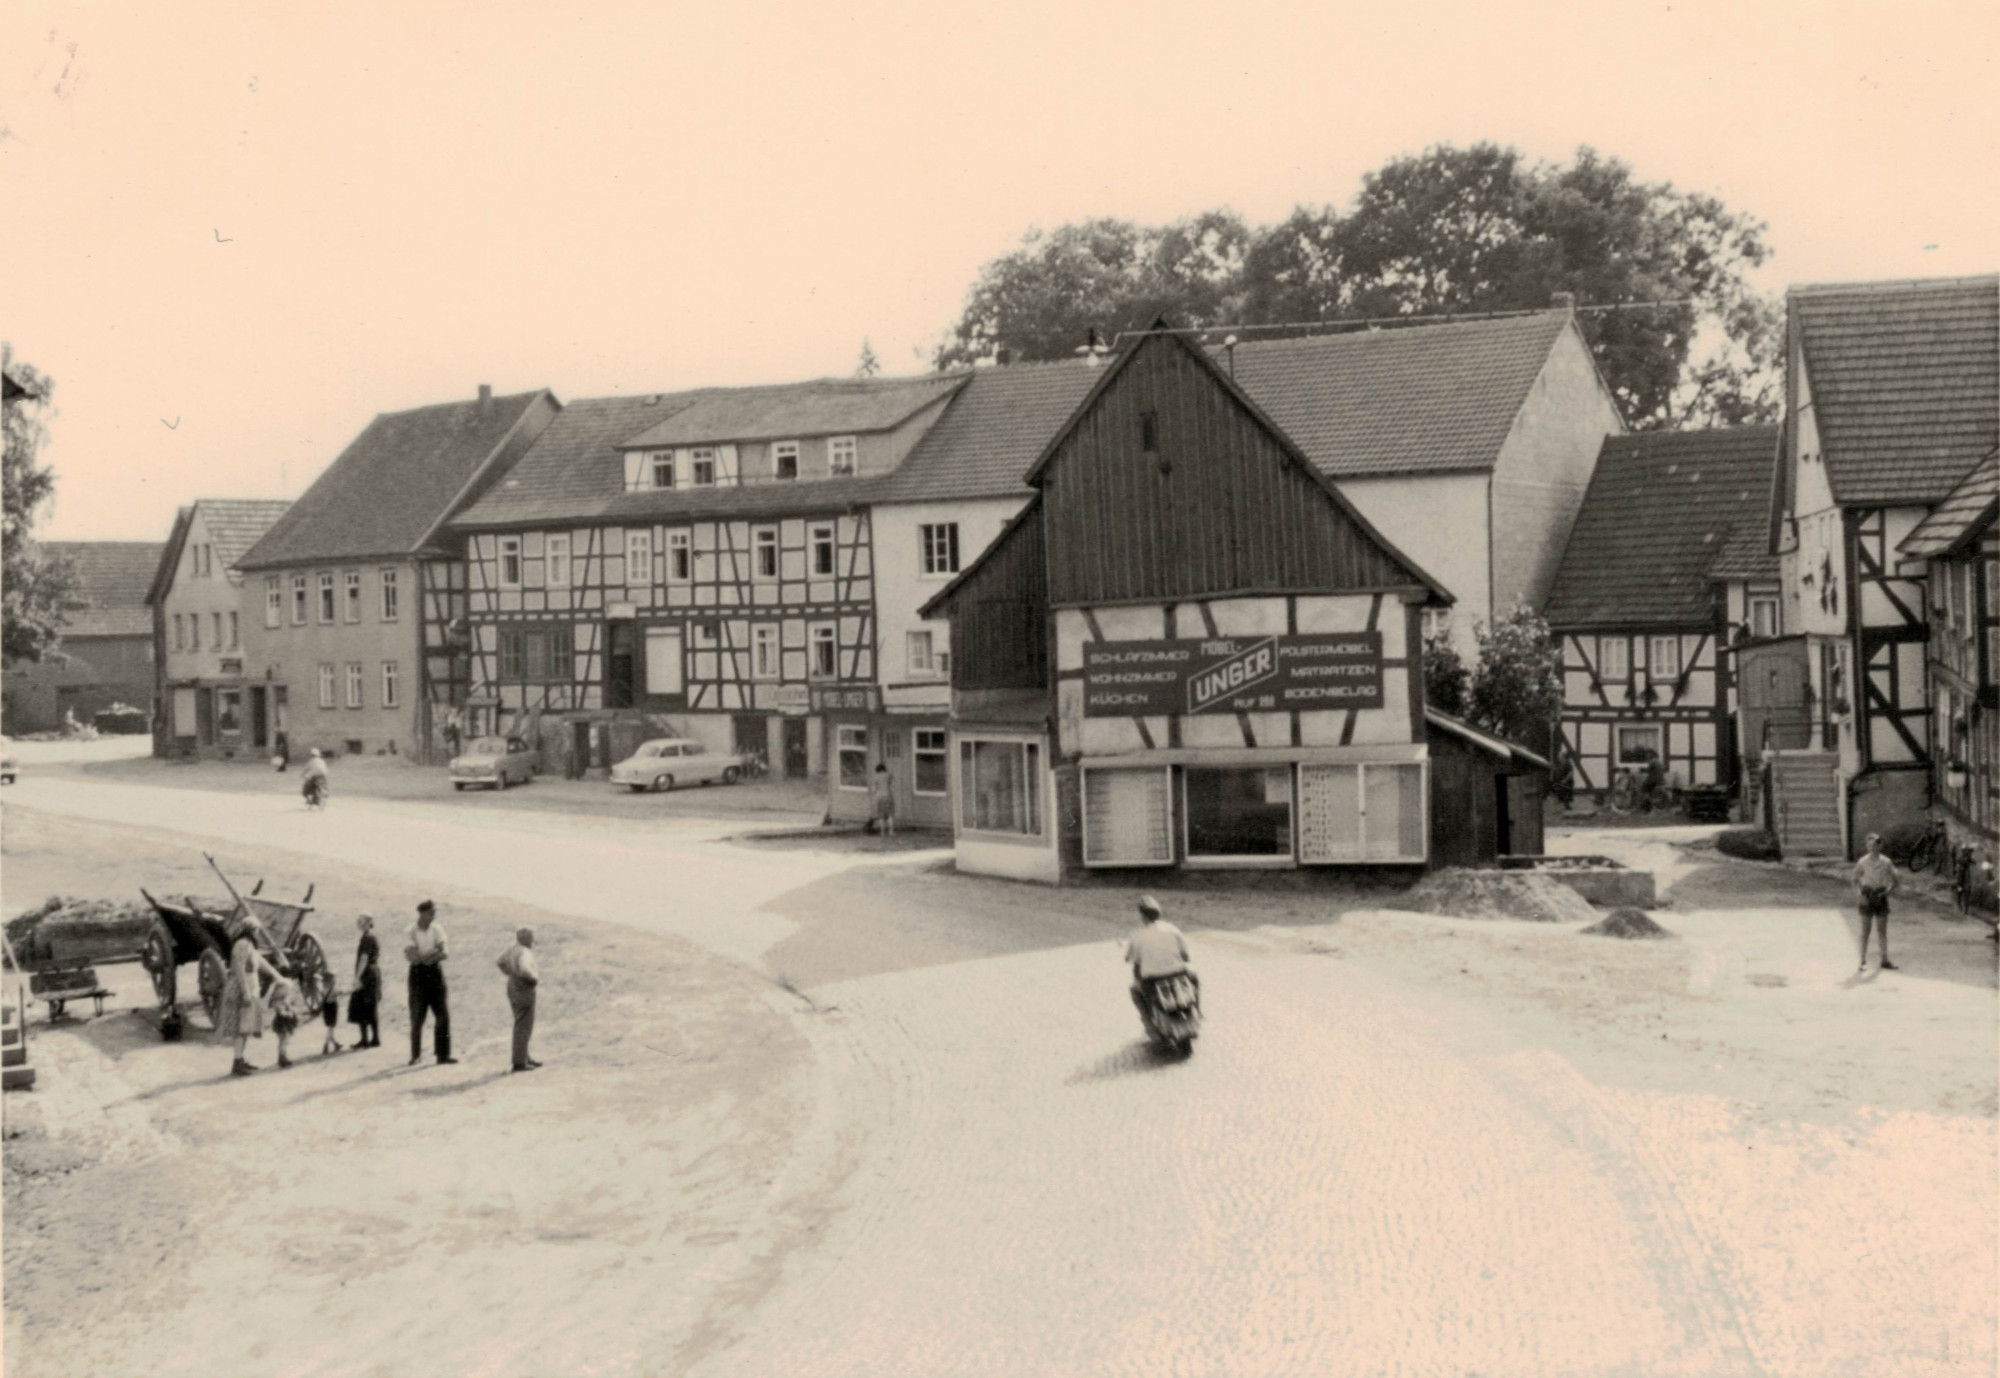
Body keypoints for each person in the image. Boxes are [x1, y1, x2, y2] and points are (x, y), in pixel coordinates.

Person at [216, 919, 283, 1076]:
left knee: (245, 1026)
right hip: (241, 989)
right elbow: (238, 968)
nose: (258, 933)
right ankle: (237, 1062)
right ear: (251, 930)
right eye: (257, 930)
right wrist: (245, 991)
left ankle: (240, 1060)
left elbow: (260, 961)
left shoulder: (249, 945)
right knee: (241, 1026)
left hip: (249, 988)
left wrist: (276, 975)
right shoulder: (242, 944)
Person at [1124, 894, 1194, 1018]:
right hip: (1178, 974)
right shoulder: (1173, 929)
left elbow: (1132, 960)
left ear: (1142, 916)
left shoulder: (1137, 935)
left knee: (1135, 991)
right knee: (1195, 980)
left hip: (1152, 979)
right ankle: (1197, 1010)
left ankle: (1149, 1023)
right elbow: (1186, 957)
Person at [406, 900, 455, 1065]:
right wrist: (433, 952)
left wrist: (426, 956)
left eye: (434, 912)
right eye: (431, 912)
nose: (434, 915)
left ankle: (443, 1055)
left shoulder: (437, 928)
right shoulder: (410, 931)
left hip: (435, 974)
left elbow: (445, 953)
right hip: (418, 976)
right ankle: (416, 1055)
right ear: (422, 913)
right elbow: (413, 957)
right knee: (417, 1016)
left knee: (443, 1015)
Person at [1853, 832, 1900, 973]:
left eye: (1874, 845)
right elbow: (1855, 879)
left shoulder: (1886, 862)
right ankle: (1862, 960)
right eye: (1869, 845)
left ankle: (1884, 960)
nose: (1871, 848)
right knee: (1865, 931)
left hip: (1880, 896)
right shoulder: (1862, 862)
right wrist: (1859, 894)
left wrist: (1888, 891)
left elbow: (1895, 878)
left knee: (1882, 930)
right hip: (1867, 895)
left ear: (1880, 846)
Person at [496, 926, 542, 1072]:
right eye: (531, 936)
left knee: (521, 1022)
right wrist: (533, 979)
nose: (533, 940)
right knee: (524, 1025)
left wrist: (511, 973)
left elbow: (500, 962)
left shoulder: (513, 948)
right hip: (524, 988)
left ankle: (524, 1057)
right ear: (528, 939)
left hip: (512, 986)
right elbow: (524, 969)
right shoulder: (524, 952)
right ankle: (519, 1062)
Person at [348, 914, 382, 1048]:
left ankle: (365, 1040)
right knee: (371, 1006)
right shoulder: (370, 937)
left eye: (362, 922)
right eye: (358, 921)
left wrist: (357, 978)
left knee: (362, 1005)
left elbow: (364, 958)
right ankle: (374, 1039)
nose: (359, 924)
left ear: (369, 923)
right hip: (373, 973)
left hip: (367, 974)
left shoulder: (367, 938)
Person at [268, 976, 303, 1069]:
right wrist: (287, 1013)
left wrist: (291, 1010)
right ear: (279, 990)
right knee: (283, 1040)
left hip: (286, 1022)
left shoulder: (284, 999)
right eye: (286, 989)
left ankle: (283, 1056)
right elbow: (280, 1012)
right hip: (282, 1022)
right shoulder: (277, 1001)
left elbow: (289, 1006)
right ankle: (282, 1057)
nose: (287, 991)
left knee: (285, 1040)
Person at [869, 762, 896, 836]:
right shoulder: (889, 775)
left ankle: (882, 833)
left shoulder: (875, 777)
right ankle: (891, 831)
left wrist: (873, 794)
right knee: (890, 814)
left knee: (881, 815)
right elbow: (893, 785)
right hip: (888, 796)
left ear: (877, 770)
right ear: (884, 769)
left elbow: (874, 789)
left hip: (879, 797)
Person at [319, 979, 343, 1055]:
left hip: (326, 1009)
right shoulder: (334, 989)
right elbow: (341, 992)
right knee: (331, 1028)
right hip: (332, 1009)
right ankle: (325, 1045)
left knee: (330, 1028)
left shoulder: (323, 989)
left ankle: (336, 1044)